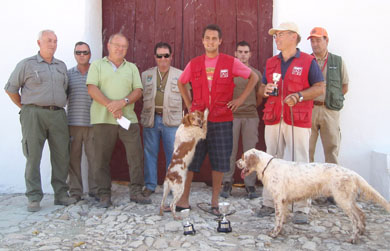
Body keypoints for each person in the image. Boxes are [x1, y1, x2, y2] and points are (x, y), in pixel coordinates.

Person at [176, 24, 259, 215]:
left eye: (215, 38)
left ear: (220, 41)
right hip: (198, 122)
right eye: (208, 38)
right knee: (191, 160)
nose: (211, 42)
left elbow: (253, 77)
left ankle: (215, 202)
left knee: (220, 161)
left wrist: (240, 99)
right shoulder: (195, 63)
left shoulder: (230, 62)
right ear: (203, 41)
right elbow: (181, 82)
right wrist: (189, 104)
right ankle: (183, 199)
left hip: (222, 119)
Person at [257, 22, 325, 224]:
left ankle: (302, 208)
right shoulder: (271, 62)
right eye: (276, 35)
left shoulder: (307, 61)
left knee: (300, 163)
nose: (276, 38)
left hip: (298, 118)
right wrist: (265, 89)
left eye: (280, 35)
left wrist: (300, 96)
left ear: (293, 37)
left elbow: (320, 87)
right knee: (270, 162)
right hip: (274, 117)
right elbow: (261, 88)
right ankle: (269, 203)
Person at [4, 30, 77, 212]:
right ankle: (34, 197)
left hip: (58, 115)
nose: (52, 44)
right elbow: (11, 89)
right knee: (33, 155)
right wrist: (26, 108)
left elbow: (65, 90)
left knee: (61, 155)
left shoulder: (61, 65)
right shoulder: (26, 64)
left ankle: (61, 195)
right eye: (48, 40)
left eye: (55, 41)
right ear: (39, 43)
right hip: (33, 114)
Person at [86, 33, 151, 208]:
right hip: (102, 119)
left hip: (127, 119)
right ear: (108, 45)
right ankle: (104, 194)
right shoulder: (97, 66)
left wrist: (123, 102)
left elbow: (138, 90)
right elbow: (92, 88)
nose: (120, 49)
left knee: (135, 156)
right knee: (101, 158)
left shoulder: (131, 68)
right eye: (117, 45)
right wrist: (110, 105)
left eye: (124, 47)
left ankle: (136, 191)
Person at [140, 42, 191, 196]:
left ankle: (172, 186)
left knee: (173, 155)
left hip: (172, 121)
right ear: (155, 57)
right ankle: (150, 185)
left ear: (171, 56)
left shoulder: (181, 75)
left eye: (166, 55)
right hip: (151, 119)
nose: (163, 59)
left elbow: (188, 99)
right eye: (160, 56)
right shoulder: (146, 75)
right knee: (150, 153)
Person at [220, 41, 263, 199]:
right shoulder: (230, 72)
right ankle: (226, 182)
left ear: (250, 54)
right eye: (240, 52)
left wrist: (249, 106)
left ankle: (250, 184)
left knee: (250, 152)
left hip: (251, 116)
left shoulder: (256, 73)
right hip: (232, 117)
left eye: (246, 52)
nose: (243, 54)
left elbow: (259, 97)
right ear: (235, 54)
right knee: (229, 151)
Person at [307, 27, 349, 164]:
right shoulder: (306, 60)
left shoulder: (338, 61)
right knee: (307, 150)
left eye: (318, 40)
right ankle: (308, 183)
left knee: (332, 150)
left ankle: (332, 183)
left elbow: (344, 86)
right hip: (309, 109)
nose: (315, 44)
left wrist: (330, 99)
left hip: (330, 111)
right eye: (312, 41)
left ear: (327, 41)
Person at [66, 41, 98, 201]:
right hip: (73, 124)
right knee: (73, 160)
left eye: (85, 52)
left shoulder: (97, 72)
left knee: (94, 159)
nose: (82, 55)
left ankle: (95, 191)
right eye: (78, 52)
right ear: (75, 55)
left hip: (93, 124)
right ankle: (75, 192)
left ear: (90, 54)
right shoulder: (68, 74)